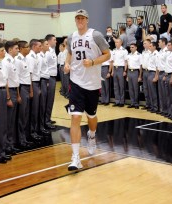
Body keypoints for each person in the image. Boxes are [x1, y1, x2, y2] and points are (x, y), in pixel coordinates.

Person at [64, 9, 110, 171]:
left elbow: (107, 55)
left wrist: (92, 62)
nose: (80, 20)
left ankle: (92, 135)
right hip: (76, 81)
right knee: (75, 118)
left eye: (83, 18)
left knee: (91, 116)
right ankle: (75, 157)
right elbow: (69, 53)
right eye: (78, 18)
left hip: (92, 83)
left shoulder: (95, 35)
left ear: (87, 20)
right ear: (75, 20)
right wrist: (67, 64)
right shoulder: (71, 37)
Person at [15, 41, 36, 149]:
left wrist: (31, 89)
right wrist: (18, 94)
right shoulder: (18, 60)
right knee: (21, 116)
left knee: (26, 114)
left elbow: (28, 76)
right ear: (21, 48)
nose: (29, 49)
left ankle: (25, 137)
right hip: (22, 87)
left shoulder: (25, 59)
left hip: (27, 87)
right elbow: (17, 78)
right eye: (27, 47)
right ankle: (20, 139)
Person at [2, 41, 21, 156]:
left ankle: (10, 144)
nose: (18, 50)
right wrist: (8, 97)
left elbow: (16, 79)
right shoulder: (6, 62)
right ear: (9, 50)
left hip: (15, 91)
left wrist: (18, 95)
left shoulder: (13, 61)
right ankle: (7, 145)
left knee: (12, 121)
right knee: (8, 121)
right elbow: (6, 81)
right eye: (16, 48)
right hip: (10, 92)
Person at [45, 34, 57, 129]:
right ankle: (46, 120)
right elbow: (45, 67)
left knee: (51, 99)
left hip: (53, 77)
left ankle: (48, 118)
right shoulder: (47, 52)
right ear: (48, 41)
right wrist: (47, 80)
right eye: (54, 40)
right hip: (49, 78)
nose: (56, 41)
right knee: (48, 99)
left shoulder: (52, 51)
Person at [111, 38, 128, 107]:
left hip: (121, 68)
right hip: (115, 68)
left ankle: (122, 101)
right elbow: (112, 61)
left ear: (121, 43)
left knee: (121, 86)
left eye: (117, 42)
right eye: (115, 42)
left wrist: (125, 70)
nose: (116, 43)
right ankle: (117, 101)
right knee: (115, 86)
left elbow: (126, 61)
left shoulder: (124, 51)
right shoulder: (113, 51)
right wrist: (112, 71)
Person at [125, 43, 142, 109]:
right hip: (129, 71)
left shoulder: (139, 55)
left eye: (132, 47)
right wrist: (127, 75)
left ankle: (136, 103)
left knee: (136, 88)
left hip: (135, 72)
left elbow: (140, 66)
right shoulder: (129, 55)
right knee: (130, 88)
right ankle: (132, 102)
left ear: (136, 48)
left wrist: (140, 76)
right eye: (130, 47)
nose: (131, 48)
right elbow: (127, 64)